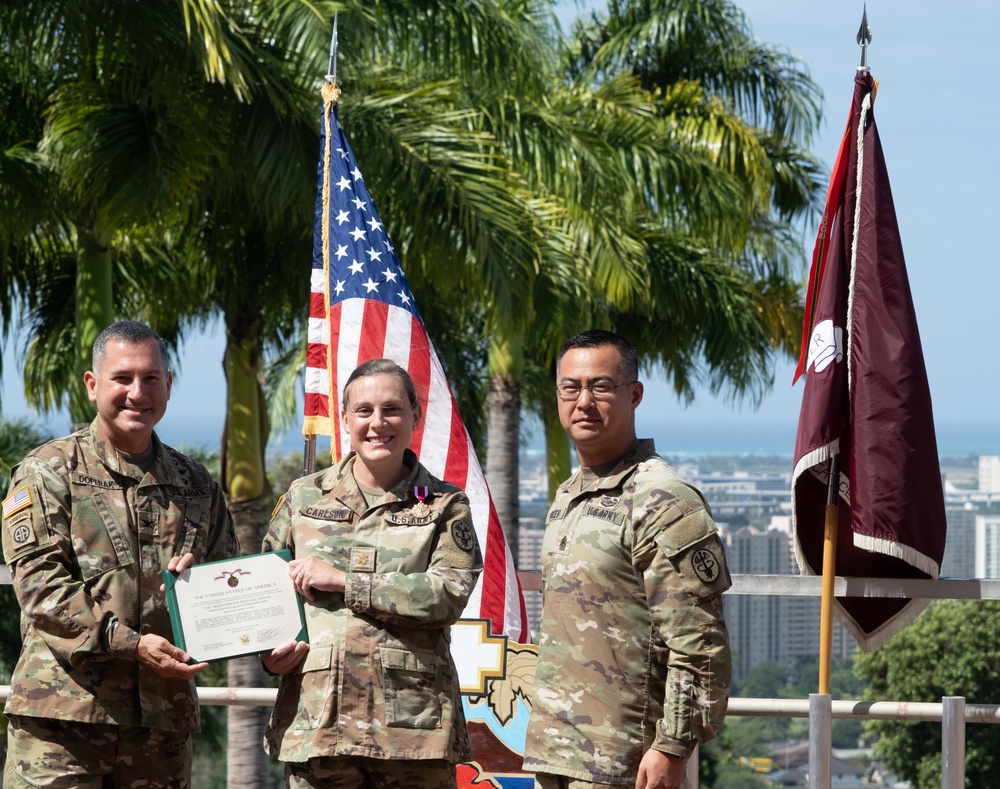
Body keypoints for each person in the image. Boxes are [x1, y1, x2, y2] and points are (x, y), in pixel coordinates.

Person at [1, 320, 239, 788]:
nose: (138, 392)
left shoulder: (197, 485)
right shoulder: (48, 471)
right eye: (122, 378)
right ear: (93, 385)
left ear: (168, 385)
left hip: (161, 731)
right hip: (63, 726)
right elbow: (40, 590)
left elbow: (230, 584)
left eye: (151, 378)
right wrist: (133, 646)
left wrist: (206, 586)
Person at [522, 330, 732, 789]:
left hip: (624, 762)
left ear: (633, 395)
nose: (583, 402)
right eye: (570, 387)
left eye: (600, 386)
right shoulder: (569, 494)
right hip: (557, 755)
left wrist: (672, 746)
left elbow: (700, 643)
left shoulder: (662, 497)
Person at [261, 358, 483, 788]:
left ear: (415, 417)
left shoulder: (445, 505)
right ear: (344, 419)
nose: (377, 422)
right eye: (363, 411)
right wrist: (268, 655)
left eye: (392, 409)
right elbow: (267, 588)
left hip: (411, 730)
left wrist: (344, 581)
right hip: (318, 721)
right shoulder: (303, 497)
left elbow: (448, 594)